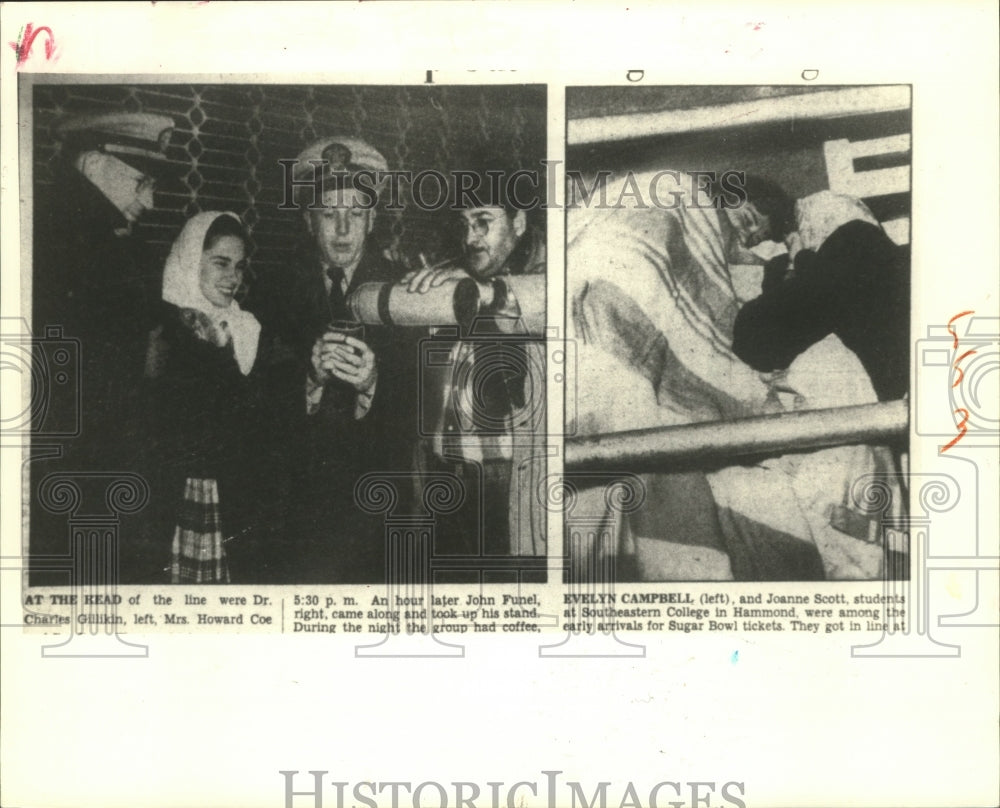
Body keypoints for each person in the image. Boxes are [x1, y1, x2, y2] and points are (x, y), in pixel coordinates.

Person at [247, 136, 416, 583]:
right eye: (329, 214)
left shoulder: (406, 292)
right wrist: (308, 379)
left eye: (355, 215)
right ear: (308, 220)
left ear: (372, 218)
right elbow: (252, 402)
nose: (343, 230)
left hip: (377, 512)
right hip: (295, 512)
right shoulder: (272, 292)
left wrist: (372, 385)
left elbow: (426, 403)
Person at [30, 111, 177, 585]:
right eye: (141, 181)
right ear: (95, 166)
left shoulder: (96, 233)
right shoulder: (63, 237)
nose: (149, 200)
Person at [400, 178, 547, 577]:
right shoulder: (452, 277)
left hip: (506, 478)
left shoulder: (548, 276)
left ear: (519, 222)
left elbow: (520, 307)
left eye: (483, 221)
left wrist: (474, 289)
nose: (471, 237)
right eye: (464, 224)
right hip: (444, 473)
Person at [143, 212, 288, 583]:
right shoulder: (165, 330)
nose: (233, 278)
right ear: (192, 259)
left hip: (236, 494)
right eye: (220, 263)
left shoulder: (244, 326)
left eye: (239, 267)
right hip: (187, 493)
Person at [733, 190, 910, 402]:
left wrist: (798, 259)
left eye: (750, 219)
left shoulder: (827, 208)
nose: (752, 235)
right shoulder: (780, 254)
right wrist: (796, 261)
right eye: (746, 237)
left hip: (879, 298)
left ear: (768, 200)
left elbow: (837, 281)